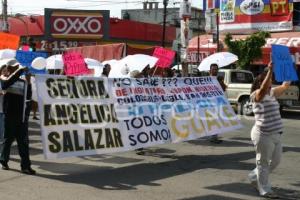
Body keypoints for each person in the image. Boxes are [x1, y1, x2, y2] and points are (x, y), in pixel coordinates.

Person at [248, 62, 290, 198]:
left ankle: (254, 176)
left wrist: (289, 70)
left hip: (276, 134)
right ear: (260, 82)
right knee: (263, 163)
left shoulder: (271, 93)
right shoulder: (255, 95)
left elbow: (285, 85)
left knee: (276, 161)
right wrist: (270, 70)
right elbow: (262, 90)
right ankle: (265, 190)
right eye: (268, 81)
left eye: (271, 81)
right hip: (263, 135)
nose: (270, 84)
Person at [0, 59, 36, 175]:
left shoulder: (22, 81)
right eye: (14, 67)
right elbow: (6, 84)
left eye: (17, 67)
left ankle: (26, 166)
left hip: (21, 116)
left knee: (23, 142)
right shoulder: (4, 78)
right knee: (8, 140)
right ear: (9, 68)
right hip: (9, 115)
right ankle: (3, 160)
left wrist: (29, 82)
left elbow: (28, 96)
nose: (16, 68)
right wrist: (20, 71)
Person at [208, 64, 226, 144]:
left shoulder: (218, 79)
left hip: (217, 103)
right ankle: (213, 137)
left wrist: (221, 82)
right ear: (210, 70)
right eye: (213, 69)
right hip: (209, 103)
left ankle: (214, 136)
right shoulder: (206, 80)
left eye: (216, 69)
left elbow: (224, 89)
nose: (215, 71)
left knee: (216, 120)